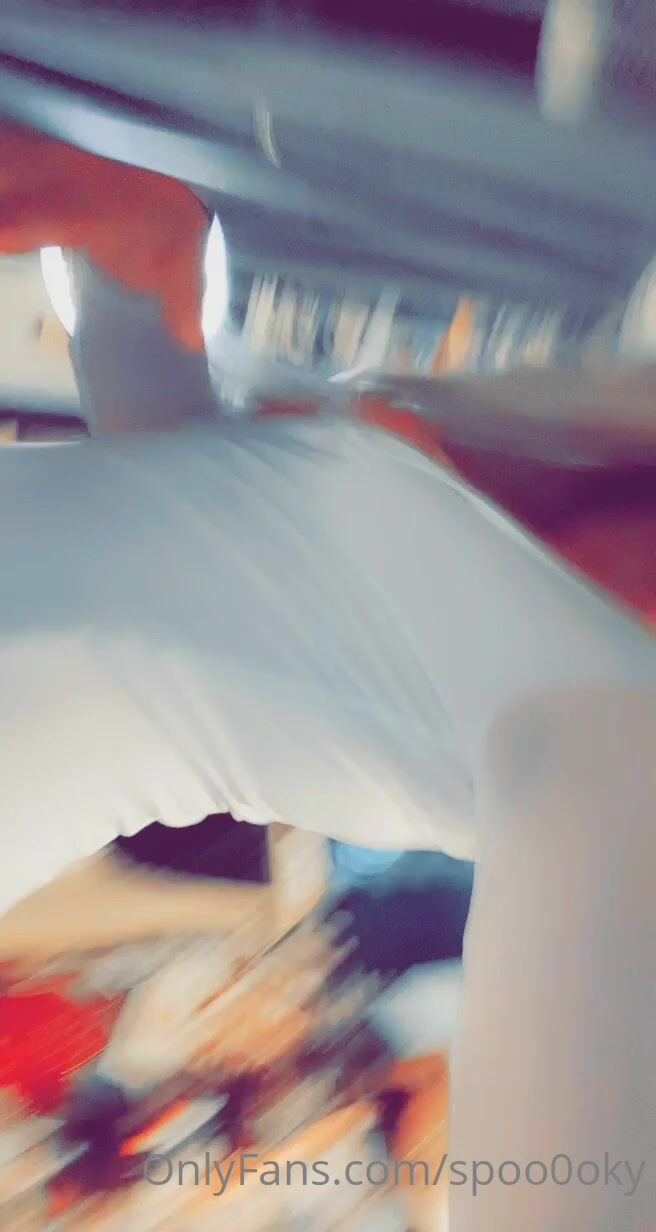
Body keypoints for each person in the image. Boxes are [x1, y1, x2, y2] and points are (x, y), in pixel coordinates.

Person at [1, 123, 656, 1232]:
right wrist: (138, 256)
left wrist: (131, 259)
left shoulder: (600, 748)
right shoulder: (596, 729)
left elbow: (193, 573)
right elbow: (202, 567)